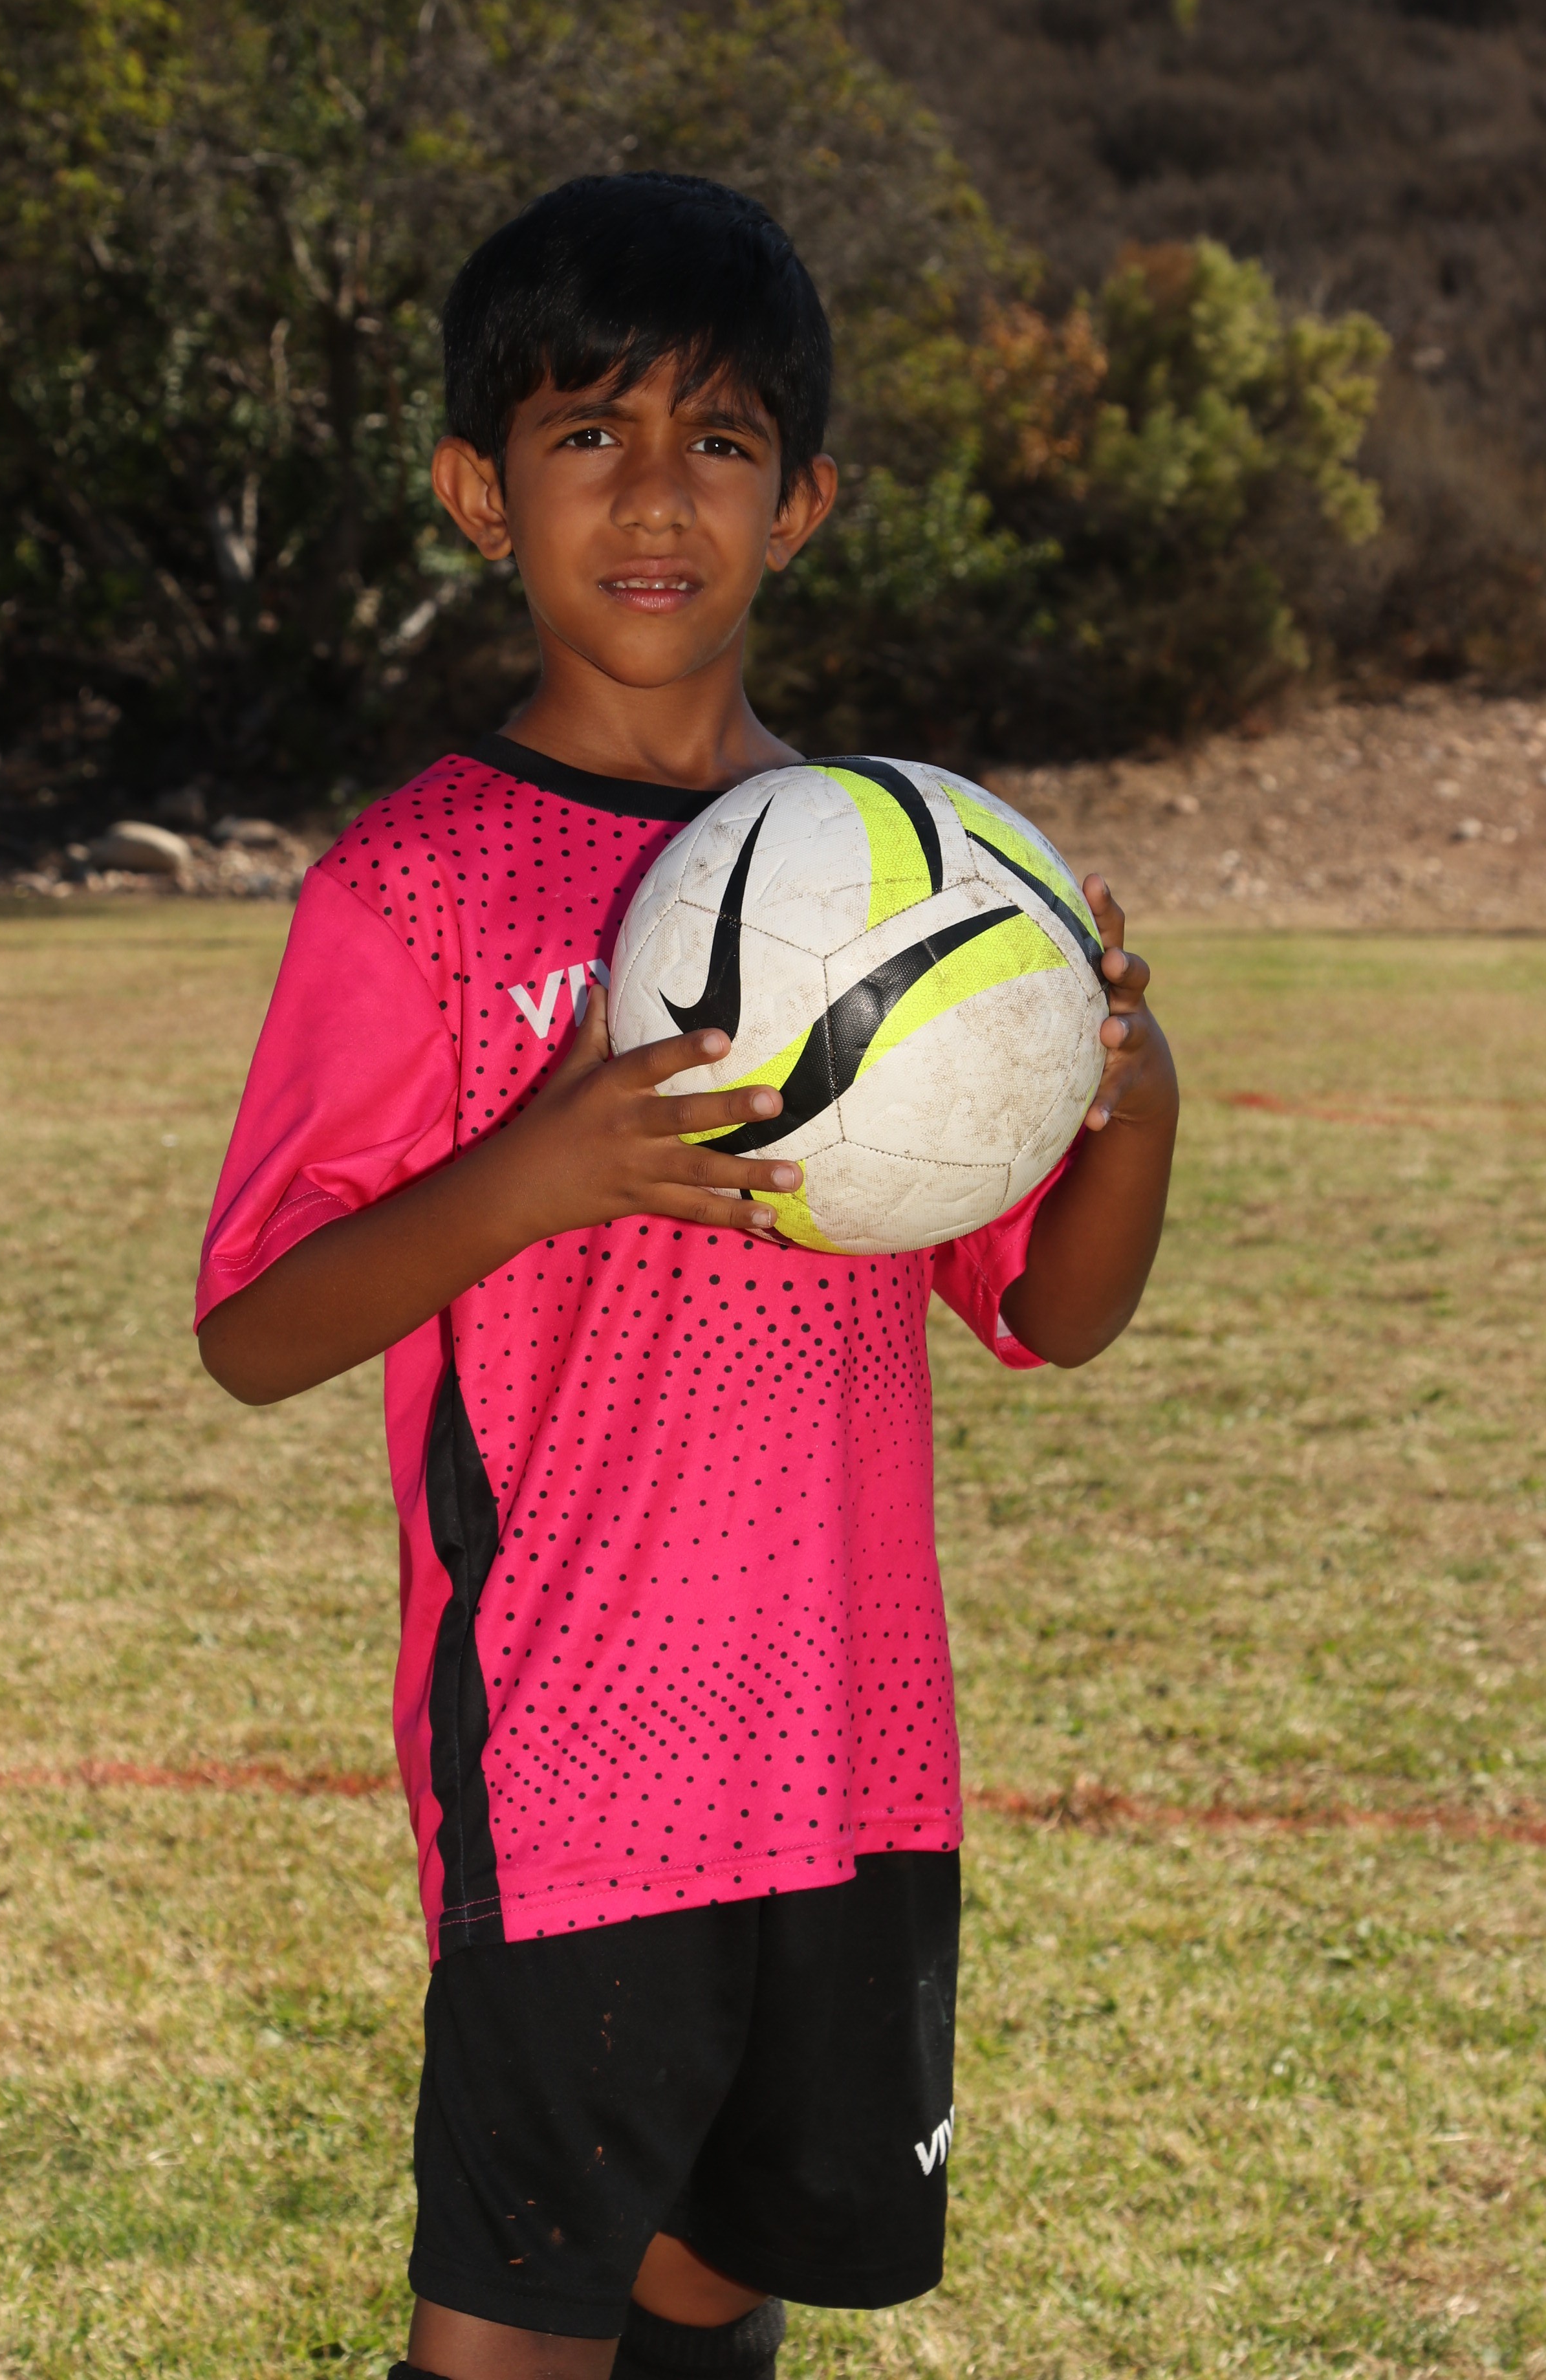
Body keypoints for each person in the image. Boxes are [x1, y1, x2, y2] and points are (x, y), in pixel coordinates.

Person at [196, 173, 1178, 2380]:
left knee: (717, 2292)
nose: (656, 496)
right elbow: (257, 1329)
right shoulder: (420, 885)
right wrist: (536, 1175)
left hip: (849, 1751)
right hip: (574, 1754)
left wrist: (1134, 1106)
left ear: (801, 501)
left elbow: (1054, 1311)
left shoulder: (905, 884)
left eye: (719, 441)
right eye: (588, 434)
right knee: (518, 2327)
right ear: (481, 491)